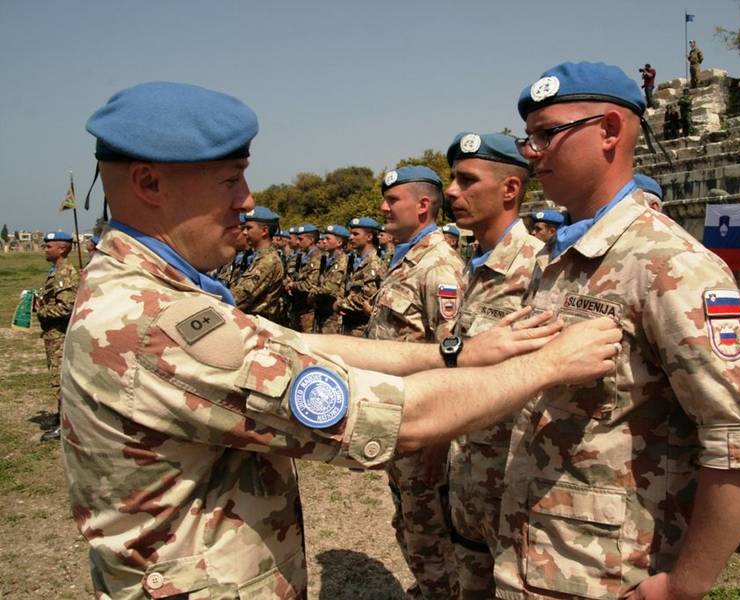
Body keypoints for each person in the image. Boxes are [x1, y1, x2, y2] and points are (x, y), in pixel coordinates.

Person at [63, 81, 623, 600]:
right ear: (149, 184)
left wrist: (455, 353)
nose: (245, 200)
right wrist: (545, 365)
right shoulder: (150, 318)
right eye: (230, 179)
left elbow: (291, 343)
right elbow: (402, 419)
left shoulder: (151, 293)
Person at [497, 60, 740, 600]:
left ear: (609, 131)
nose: (530, 152)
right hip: (539, 555)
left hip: (612, 574)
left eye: (547, 135)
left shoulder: (668, 262)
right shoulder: (559, 258)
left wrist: (685, 584)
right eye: (528, 136)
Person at [443, 131, 544, 598]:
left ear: (510, 190)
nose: (451, 192)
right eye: (451, 180)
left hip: (513, 487)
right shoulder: (473, 265)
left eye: (467, 180)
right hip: (466, 471)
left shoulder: (540, 270)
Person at [368, 165, 467, 599]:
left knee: (429, 534)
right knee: (408, 524)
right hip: (398, 421)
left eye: (393, 201)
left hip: (425, 429)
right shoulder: (405, 258)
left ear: (423, 206)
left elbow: (454, 363)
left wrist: (439, 443)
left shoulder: (440, 267)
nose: (383, 208)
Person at [34, 230, 80, 442]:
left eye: (48, 246)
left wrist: (41, 311)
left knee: (61, 380)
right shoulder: (57, 271)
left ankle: (66, 425)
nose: (45, 249)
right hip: (54, 334)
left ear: (61, 249)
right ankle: (63, 417)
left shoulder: (64, 273)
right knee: (59, 378)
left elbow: (66, 307)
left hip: (60, 334)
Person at [231, 206, 284, 322]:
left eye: (248, 228)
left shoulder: (268, 261)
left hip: (258, 326)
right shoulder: (259, 257)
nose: (244, 232)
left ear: (264, 231)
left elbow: (238, 298)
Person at [336, 217, 386, 336]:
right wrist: (340, 300)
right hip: (348, 323)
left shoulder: (374, 263)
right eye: (350, 234)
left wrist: (341, 304)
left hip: (362, 328)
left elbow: (367, 297)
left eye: (355, 234)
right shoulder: (352, 260)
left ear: (369, 237)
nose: (350, 237)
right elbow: (344, 285)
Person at [312, 224, 350, 334]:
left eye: (327, 239)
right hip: (323, 310)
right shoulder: (328, 259)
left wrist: (312, 292)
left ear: (339, 243)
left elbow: (330, 288)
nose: (324, 241)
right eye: (323, 238)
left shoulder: (343, 261)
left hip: (333, 314)